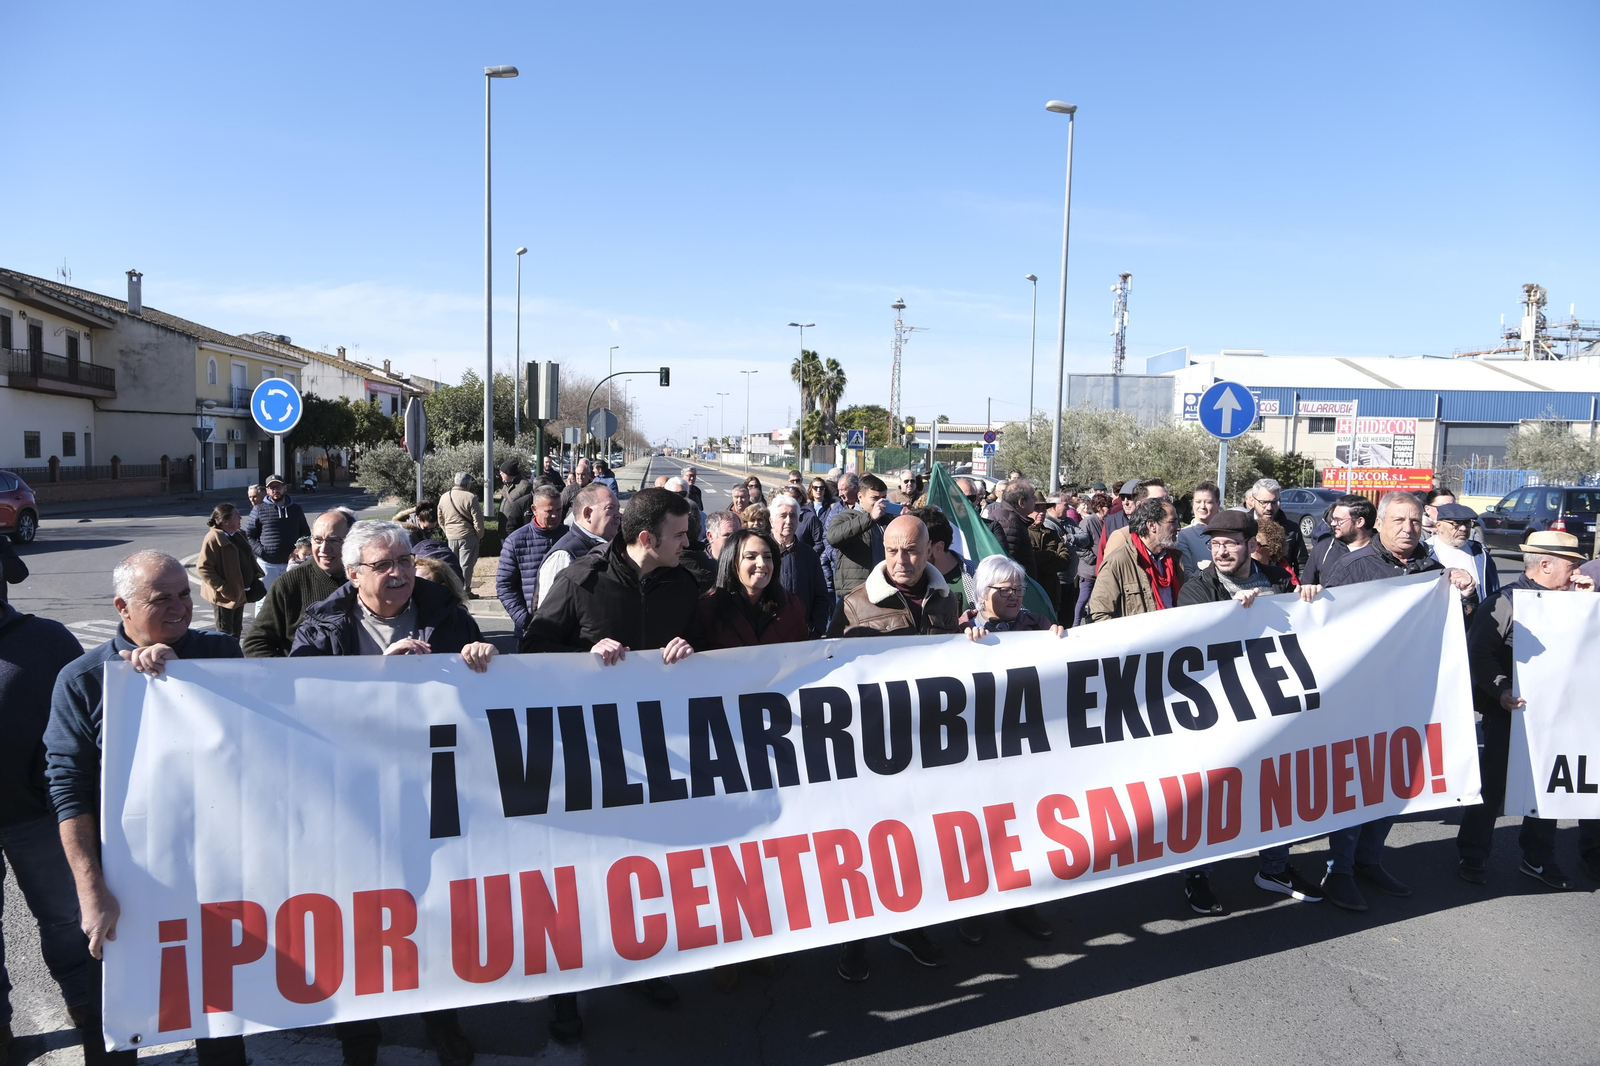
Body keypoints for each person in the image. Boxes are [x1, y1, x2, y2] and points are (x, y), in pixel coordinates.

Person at [286, 522, 487, 1066]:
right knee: (359, 917)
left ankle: (443, 1018)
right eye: (382, 566)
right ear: (353, 575)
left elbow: (481, 693)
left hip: (434, 790)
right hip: (356, 799)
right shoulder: (324, 624)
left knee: (436, 907)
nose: (399, 573)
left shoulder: (444, 610)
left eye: (403, 560)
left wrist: (477, 659)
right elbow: (302, 699)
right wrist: (377, 673)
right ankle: (360, 1040)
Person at [44, 551, 248, 1066]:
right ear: (122, 607)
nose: (181, 608)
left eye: (184, 593)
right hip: (126, 878)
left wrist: (188, 685)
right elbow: (67, 788)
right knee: (118, 1004)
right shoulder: (84, 679)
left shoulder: (221, 652)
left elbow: (259, 741)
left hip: (215, 869)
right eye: (162, 599)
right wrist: (93, 893)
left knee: (220, 1005)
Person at [518, 488, 696, 1039]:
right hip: (586, 762)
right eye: (679, 535)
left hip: (657, 760)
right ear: (646, 539)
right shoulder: (579, 582)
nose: (688, 543)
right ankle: (565, 995)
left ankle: (639, 966)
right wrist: (583, 659)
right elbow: (530, 659)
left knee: (641, 877)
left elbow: (715, 658)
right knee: (576, 879)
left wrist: (692, 649)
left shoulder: (683, 584)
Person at [1317, 491, 1474, 911]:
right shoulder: (1352, 568)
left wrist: (1467, 591)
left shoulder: (1434, 569)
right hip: (1360, 699)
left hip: (1411, 695)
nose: (1408, 528)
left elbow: (1459, 628)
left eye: (1415, 521)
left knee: (1394, 782)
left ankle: (1370, 860)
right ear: (1380, 523)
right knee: (1356, 786)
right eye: (1399, 520)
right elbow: (1322, 632)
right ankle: (1339, 871)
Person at [828, 514, 961, 980]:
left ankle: (910, 927)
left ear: (930, 551)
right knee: (869, 847)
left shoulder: (949, 601)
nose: (901, 561)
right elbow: (830, 683)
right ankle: (854, 939)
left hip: (930, 752)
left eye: (910, 551)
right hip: (874, 754)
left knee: (918, 845)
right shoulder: (853, 606)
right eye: (891, 551)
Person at [1173, 510, 1322, 911]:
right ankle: (1198, 875)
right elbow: (1194, 642)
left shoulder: (1276, 580)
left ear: (1250, 545)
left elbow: (1303, 628)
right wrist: (1233, 617)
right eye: (1215, 543)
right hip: (1219, 712)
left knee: (1278, 787)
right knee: (1213, 794)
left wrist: (1307, 599)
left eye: (1230, 543)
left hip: (1272, 707)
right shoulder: (1198, 588)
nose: (1221, 551)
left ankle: (1274, 867)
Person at [1457, 531, 1598, 889]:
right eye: (1572, 564)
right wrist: (1502, 689)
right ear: (1546, 564)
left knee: (1550, 788)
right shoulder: (1504, 601)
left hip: (1557, 716)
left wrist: (1585, 605)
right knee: (1492, 786)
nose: (1578, 570)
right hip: (1508, 712)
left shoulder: (1575, 601)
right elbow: (1479, 654)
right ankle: (1473, 854)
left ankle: (1538, 857)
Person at [0, 595, 96, 1062]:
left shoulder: (46, 640)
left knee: (63, 916)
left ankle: (84, 999)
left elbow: (89, 708)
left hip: (37, 815)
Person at [242, 510, 352, 658]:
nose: (324, 549)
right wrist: (290, 673)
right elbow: (255, 644)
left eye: (334, 540)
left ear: (351, 542)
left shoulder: (368, 580)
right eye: (318, 540)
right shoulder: (288, 584)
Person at [694, 528, 811, 649]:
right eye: (750, 557)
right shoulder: (707, 610)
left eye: (767, 557)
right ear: (731, 562)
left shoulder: (792, 606)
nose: (762, 564)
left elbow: (802, 656)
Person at [1087, 497, 1183, 622]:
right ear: (1152, 525)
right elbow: (1099, 615)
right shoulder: (1118, 562)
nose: (1178, 527)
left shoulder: (1175, 560)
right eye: (1172, 522)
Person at [496, 484, 566, 636]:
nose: (555, 515)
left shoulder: (570, 537)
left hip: (567, 629)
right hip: (530, 630)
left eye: (559, 510)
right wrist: (525, 621)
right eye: (549, 511)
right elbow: (504, 585)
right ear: (534, 510)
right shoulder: (515, 541)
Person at [536, 484, 620, 609]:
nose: (618, 515)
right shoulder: (563, 555)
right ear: (587, 514)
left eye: (618, 509)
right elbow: (549, 615)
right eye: (610, 508)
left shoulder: (611, 547)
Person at [197, 503, 261, 639]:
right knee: (224, 632)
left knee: (237, 628)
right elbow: (204, 568)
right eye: (236, 515)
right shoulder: (213, 538)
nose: (240, 517)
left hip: (240, 591)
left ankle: (235, 656)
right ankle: (225, 659)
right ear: (225, 521)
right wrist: (224, 588)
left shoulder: (237, 535)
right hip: (224, 596)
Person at [770, 494, 831, 636]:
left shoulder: (809, 554)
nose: (788, 521)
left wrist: (815, 630)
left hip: (803, 635)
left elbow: (821, 597)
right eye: (783, 516)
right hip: (768, 638)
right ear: (771, 520)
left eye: (792, 516)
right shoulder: (761, 553)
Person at [827, 473, 892, 599]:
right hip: (855, 592)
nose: (880, 503)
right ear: (860, 497)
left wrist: (906, 517)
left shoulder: (886, 521)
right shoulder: (845, 517)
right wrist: (870, 518)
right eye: (874, 498)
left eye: (884, 498)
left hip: (883, 588)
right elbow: (833, 538)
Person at [244, 473, 310, 591]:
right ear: (267, 491)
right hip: (267, 565)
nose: (275, 490)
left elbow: (305, 533)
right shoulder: (258, 509)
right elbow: (249, 535)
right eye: (272, 487)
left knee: (291, 598)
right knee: (264, 600)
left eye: (278, 487)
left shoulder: (296, 509)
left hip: (291, 564)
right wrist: (261, 552)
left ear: (285, 488)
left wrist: (301, 553)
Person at [910, 505, 977, 615]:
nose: (908, 557)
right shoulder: (903, 577)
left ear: (938, 547)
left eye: (915, 549)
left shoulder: (977, 575)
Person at [1427, 501, 1498, 601]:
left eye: (1467, 523)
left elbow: (1493, 590)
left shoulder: (1479, 553)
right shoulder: (1425, 552)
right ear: (1439, 526)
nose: (1463, 528)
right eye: (1456, 524)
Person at [1302, 494, 1373, 585]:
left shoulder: (1385, 552)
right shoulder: (1323, 549)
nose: (1333, 523)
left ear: (1359, 522)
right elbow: (1306, 585)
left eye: (1338, 520)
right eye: (1332, 519)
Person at [1097, 479, 1167, 570]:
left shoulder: (1156, 523)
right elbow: (1101, 551)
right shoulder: (1111, 521)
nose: (1125, 502)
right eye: (1122, 498)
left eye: (1129, 498)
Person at [437, 472, 485, 597]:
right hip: (468, 536)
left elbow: (440, 519)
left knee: (453, 565)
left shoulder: (444, 497)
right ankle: (465, 591)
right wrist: (479, 535)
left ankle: (453, 589)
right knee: (466, 565)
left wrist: (447, 531)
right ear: (467, 484)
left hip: (451, 536)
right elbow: (478, 520)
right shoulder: (470, 497)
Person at [1245, 478, 1308, 574]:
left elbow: (1303, 566)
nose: (1269, 508)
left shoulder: (1292, 529)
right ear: (1253, 501)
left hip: (1283, 586)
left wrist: (1298, 587)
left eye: (1274, 502)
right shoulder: (1243, 526)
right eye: (1264, 502)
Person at [1026, 497, 1073, 614]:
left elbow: (1065, 561)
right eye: (1037, 509)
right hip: (1030, 593)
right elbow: (1029, 559)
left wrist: (1044, 562)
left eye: (1043, 509)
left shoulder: (1051, 534)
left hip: (1051, 592)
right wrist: (1050, 556)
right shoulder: (1023, 532)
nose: (1041, 513)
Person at [1072, 492, 1112, 626]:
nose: (1109, 509)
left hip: (1102, 568)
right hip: (1089, 569)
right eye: (1106, 506)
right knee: (1083, 598)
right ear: (1099, 507)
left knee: (1098, 600)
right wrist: (1094, 559)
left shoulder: (1107, 521)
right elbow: (1080, 546)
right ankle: (1075, 625)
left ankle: (1093, 624)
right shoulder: (1087, 522)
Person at [988, 479, 1040, 580]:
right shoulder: (1007, 521)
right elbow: (1005, 563)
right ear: (1022, 503)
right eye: (1032, 496)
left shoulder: (1011, 518)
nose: (1036, 499)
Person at [406, 499, 465, 581]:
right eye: (427, 528)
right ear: (419, 520)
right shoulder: (409, 534)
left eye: (432, 529)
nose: (429, 531)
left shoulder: (422, 529)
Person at [1174, 480, 1221, 579]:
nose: (1202, 506)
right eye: (1198, 502)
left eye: (1208, 502)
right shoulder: (1184, 535)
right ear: (1193, 503)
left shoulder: (1228, 531)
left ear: (1218, 503)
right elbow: (1187, 574)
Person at [1251, 519, 1299, 586]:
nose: (1250, 549)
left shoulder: (1285, 578)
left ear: (1272, 550)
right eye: (1249, 544)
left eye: (1256, 545)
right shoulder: (1239, 573)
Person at [498, 458, 534, 533]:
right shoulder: (506, 486)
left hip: (516, 529)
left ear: (507, 473)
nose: (500, 474)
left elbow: (528, 510)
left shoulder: (524, 486)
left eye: (502, 472)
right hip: (504, 528)